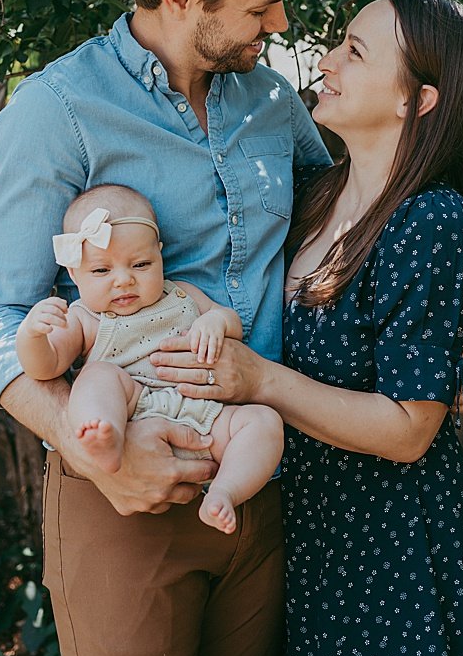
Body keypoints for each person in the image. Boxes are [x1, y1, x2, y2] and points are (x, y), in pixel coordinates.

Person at [0, 0, 330, 656]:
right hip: (122, 500)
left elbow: (341, 217)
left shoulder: (273, 103)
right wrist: (99, 454)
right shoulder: (56, 111)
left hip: (254, 482)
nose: (279, 24)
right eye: (260, 5)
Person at [153, 0, 463, 656]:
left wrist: (259, 381)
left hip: (396, 556)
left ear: (418, 100)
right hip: (314, 543)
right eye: (338, 44)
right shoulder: (317, 199)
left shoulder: (432, 224)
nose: (325, 62)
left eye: (356, 52)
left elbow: (411, 427)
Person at [18, 184, 284, 534]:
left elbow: (230, 320)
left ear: (159, 255)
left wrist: (214, 321)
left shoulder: (182, 294)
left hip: (206, 419)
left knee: (264, 422)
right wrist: (32, 335)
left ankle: (223, 492)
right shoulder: (83, 319)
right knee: (97, 375)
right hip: (136, 419)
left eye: (141, 264)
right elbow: (45, 366)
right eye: (101, 271)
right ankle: (105, 438)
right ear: (74, 274)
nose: (124, 280)